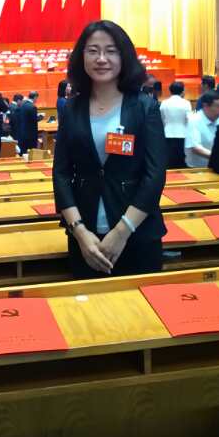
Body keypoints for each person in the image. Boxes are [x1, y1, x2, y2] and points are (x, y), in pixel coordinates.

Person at [53, 19, 167, 279]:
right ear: (82, 57)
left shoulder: (144, 107)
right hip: (86, 238)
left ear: (124, 57)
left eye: (111, 51)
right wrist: (79, 232)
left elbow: (154, 175)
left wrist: (122, 232)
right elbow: (61, 173)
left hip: (137, 234)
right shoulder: (71, 109)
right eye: (93, 51)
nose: (101, 59)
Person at [184, 90, 219, 168]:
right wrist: (218, 157)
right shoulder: (194, 120)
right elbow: (195, 147)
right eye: (218, 106)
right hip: (197, 169)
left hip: (215, 166)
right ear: (206, 106)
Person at [160, 81, 192, 169]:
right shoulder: (186, 103)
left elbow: (162, 119)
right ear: (182, 91)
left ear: (170, 90)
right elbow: (188, 119)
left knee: (169, 160)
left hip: (167, 133)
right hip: (183, 133)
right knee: (181, 160)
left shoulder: (164, 103)